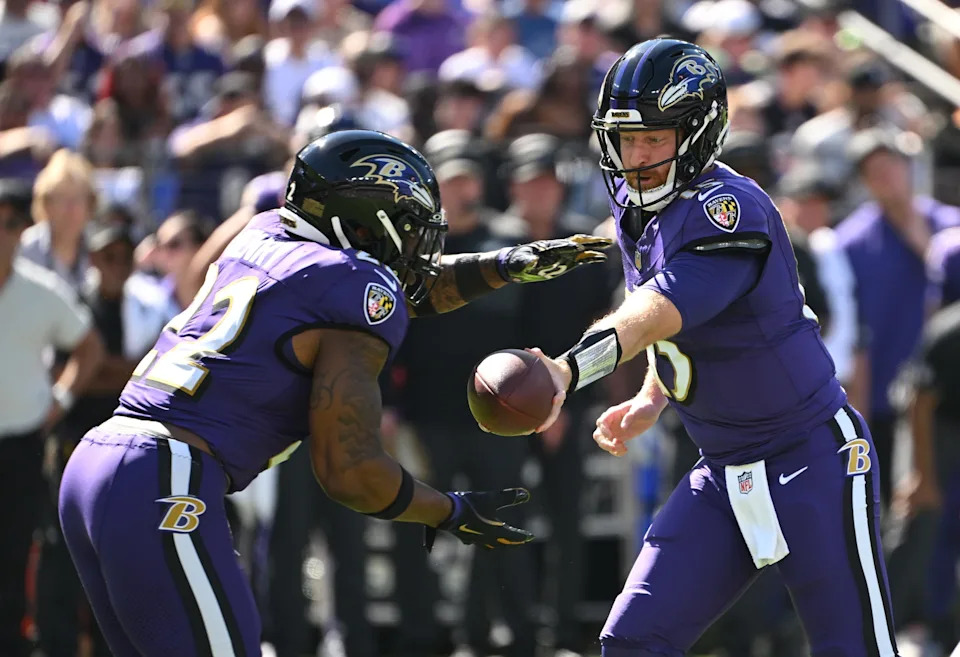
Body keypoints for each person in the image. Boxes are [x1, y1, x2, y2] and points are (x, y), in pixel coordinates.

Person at [57, 128, 611, 657]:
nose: (418, 240)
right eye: (408, 223)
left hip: (98, 460)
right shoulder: (350, 288)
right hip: (165, 475)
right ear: (367, 223)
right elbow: (348, 469)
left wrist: (504, 264)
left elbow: (389, 290)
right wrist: (448, 511)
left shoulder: (265, 234)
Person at [520, 39, 900, 657]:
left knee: (853, 649)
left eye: (654, 139)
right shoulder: (636, 208)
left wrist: (568, 368)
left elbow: (659, 308)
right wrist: (653, 395)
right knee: (633, 641)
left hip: (811, 457)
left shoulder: (730, 210)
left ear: (697, 133)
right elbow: (679, 329)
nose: (636, 157)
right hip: (723, 468)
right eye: (627, 139)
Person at [0, 178, 104, 657]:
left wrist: (60, 399)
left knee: (15, 558)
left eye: (12, 224)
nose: (3, 232)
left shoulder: (42, 292)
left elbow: (89, 346)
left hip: (20, 449)